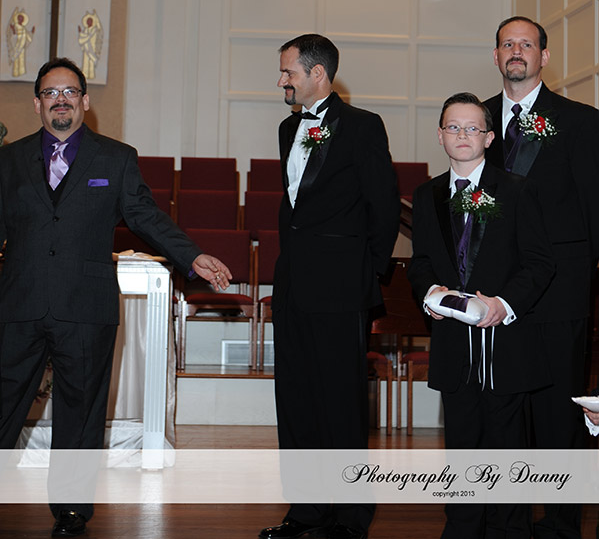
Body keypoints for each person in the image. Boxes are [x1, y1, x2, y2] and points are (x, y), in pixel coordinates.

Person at [0, 57, 232, 538]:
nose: (60, 100)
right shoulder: (8, 160)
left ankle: (71, 509)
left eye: (69, 91)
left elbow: (146, 217)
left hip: (86, 307)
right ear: (37, 103)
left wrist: (192, 256)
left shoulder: (116, 158)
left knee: (81, 411)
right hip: (19, 303)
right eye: (50, 93)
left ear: (85, 101)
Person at [259, 34, 400, 539]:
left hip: (341, 288)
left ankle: (350, 516)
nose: (281, 80)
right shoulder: (287, 128)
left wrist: (365, 273)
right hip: (293, 285)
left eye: (288, 72)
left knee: (341, 404)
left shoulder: (363, 126)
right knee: (296, 402)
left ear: (317, 74)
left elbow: (384, 206)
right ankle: (306, 510)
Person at [408, 92, 554, 539]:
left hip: (505, 347)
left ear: (489, 137)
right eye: (453, 127)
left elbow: (539, 264)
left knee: (507, 450)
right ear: (440, 136)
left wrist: (503, 304)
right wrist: (429, 292)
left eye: (473, 128)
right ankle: (462, 529)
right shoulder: (426, 194)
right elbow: (420, 261)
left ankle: (510, 531)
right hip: (454, 349)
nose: (462, 135)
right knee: (461, 449)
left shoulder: (518, 189)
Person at [485, 16, 599, 539]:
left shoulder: (580, 122)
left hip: (559, 295)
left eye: (526, 44)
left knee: (557, 415)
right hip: (495, 296)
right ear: (496, 56)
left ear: (544, 57)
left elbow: (594, 210)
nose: (516, 51)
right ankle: (504, 522)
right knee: (501, 415)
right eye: (507, 43)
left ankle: (558, 525)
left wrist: (583, 282)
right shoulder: (475, 119)